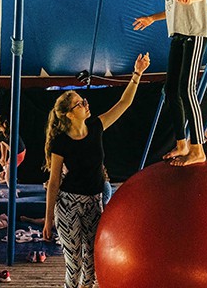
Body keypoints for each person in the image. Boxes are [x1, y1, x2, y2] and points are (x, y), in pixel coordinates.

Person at [44, 53, 150, 288]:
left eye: (84, 101)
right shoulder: (61, 142)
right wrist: (48, 218)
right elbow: (53, 182)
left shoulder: (96, 126)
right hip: (69, 204)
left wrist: (137, 74)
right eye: (80, 104)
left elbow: (124, 104)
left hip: (93, 203)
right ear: (70, 114)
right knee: (74, 265)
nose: (85, 104)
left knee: (91, 264)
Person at [133, 0, 207, 167]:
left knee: (187, 89)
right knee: (171, 90)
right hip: (177, 33)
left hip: (194, 32)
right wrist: (151, 19)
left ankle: (198, 148)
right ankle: (181, 143)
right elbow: (171, 7)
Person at [0, 115, 26, 187]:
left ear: (0, 126)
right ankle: (3, 159)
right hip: (21, 152)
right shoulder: (10, 131)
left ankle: (13, 192)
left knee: (7, 177)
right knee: (2, 143)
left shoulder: (3, 136)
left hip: (17, 154)